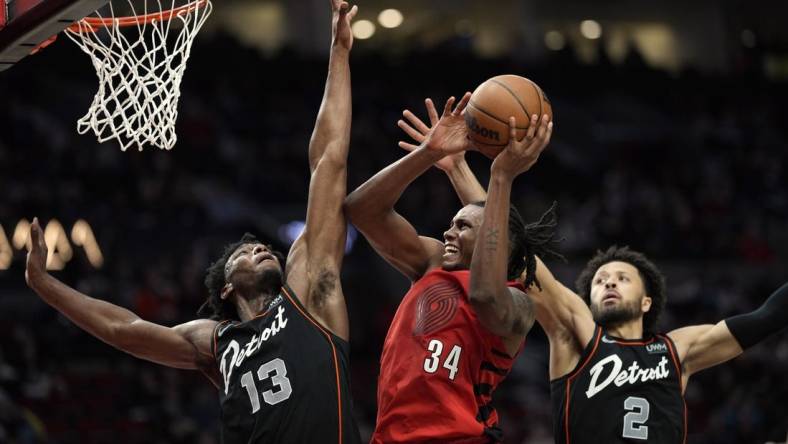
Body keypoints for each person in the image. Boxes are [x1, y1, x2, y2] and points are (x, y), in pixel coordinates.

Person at [23, 1, 362, 443]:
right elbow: (123, 330)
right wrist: (44, 284)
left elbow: (328, 162)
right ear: (226, 287)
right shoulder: (216, 342)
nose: (259, 247)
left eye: (261, 247)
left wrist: (339, 54)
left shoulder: (310, 294)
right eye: (244, 252)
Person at [400, 101, 788, 443]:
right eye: (601, 280)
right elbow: (511, 249)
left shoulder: (678, 349)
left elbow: (765, 318)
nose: (609, 283)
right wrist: (458, 170)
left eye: (621, 278)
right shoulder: (578, 331)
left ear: (647, 299)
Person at [344, 93, 557, 443]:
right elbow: (361, 210)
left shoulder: (519, 306)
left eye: (463, 226)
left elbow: (486, 294)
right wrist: (427, 154)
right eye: (452, 222)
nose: (448, 231)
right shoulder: (432, 264)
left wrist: (501, 177)